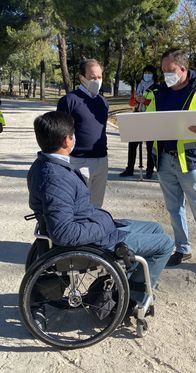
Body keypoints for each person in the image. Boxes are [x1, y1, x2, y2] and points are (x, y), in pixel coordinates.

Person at [27, 111, 173, 295]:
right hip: (96, 240)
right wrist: (102, 227)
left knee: (155, 228)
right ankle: (133, 296)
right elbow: (63, 233)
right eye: (73, 135)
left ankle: (129, 280)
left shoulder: (47, 164)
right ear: (66, 141)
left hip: (93, 225)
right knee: (166, 243)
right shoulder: (55, 178)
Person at [146, 48, 196, 278]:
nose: (165, 75)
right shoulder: (158, 91)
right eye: (163, 71)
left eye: (170, 71)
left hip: (191, 161)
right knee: (174, 208)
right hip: (164, 159)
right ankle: (182, 249)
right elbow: (148, 119)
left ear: (183, 69)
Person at [57, 58, 108, 208]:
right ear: (82, 78)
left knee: (96, 207)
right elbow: (59, 133)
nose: (97, 81)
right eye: (93, 77)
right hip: (78, 161)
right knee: (78, 207)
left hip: (101, 161)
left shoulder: (103, 102)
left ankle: (95, 231)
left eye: (99, 77)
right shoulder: (69, 100)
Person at [119, 65, 159, 179]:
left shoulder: (157, 87)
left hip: (150, 120)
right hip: (137, 117)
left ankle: (149, 170)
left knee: (150, 146)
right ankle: (129, 169)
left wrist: (145, 101)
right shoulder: (138, 86)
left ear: (153, 74)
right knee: (132, 145)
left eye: (149, 72)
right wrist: (135, 100)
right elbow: (131, 103)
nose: (147, 74)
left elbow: (157, 103)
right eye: (145, 72)